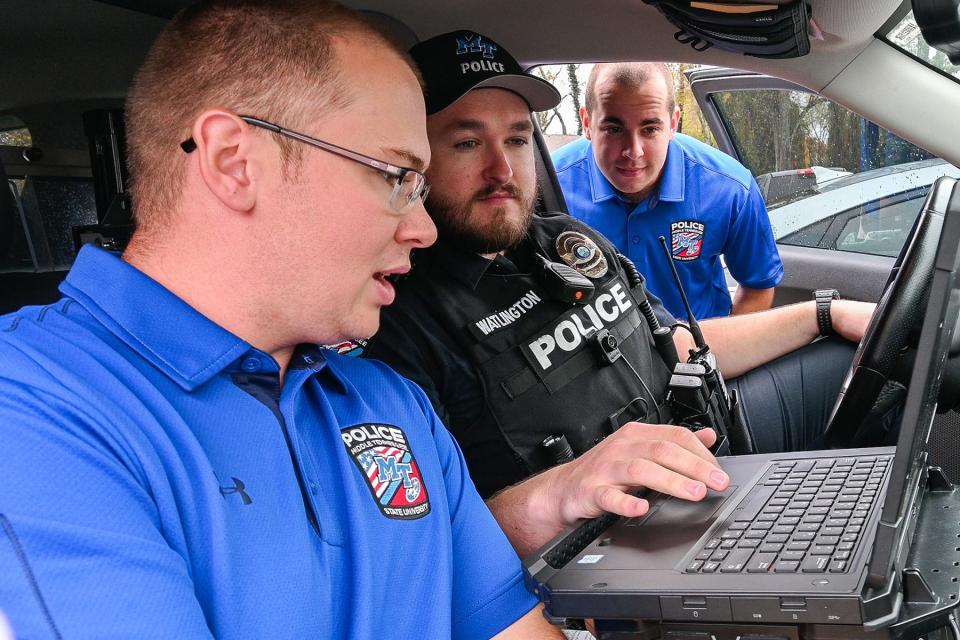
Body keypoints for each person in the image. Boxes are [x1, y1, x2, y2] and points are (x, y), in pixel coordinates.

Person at [0, 4, 564, 639]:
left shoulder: (389, 405)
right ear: (235, 160)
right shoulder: (34, 409)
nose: (424, 228)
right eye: (396, 176)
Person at [365, 31, 875, 556]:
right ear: (416, 157)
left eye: (517, 140)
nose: (502, 171)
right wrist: (562, 490)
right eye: (467, 143)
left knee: (862, 363)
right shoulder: (395, 319)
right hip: (594, 549)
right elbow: (425, 543)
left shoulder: (567, 243)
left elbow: (677, 344)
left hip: (697, 460)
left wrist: (822, 314)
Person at [552, 62, 782, 319]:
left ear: (673, 123)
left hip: (695, 351)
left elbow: (758, 285)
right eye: (614, 130)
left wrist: (724, 353)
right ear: (587, 122)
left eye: (650, 129)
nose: (633, 152)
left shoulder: (731, 189)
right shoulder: (548, 186)